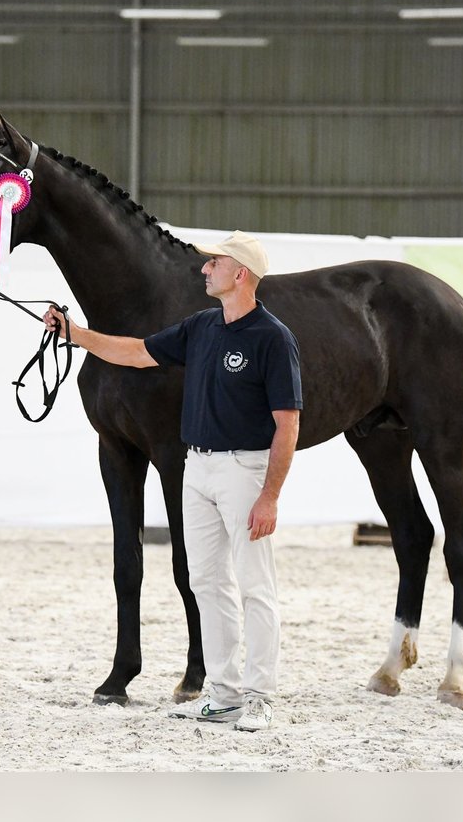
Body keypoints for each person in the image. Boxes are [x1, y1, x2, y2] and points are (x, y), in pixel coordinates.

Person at [43, 230, 302, 732]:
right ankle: (224, 694)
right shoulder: (202, 326)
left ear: (240, 273)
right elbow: (137, 352)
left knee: (255, 586)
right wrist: (76, 334)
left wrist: (270, 496)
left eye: (214, 263)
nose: (204, 269)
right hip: (198, 469)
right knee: (207, 582)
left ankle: (259, 697)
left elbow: (288, 422)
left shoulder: (274, 338)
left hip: (244, 471)